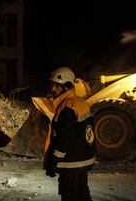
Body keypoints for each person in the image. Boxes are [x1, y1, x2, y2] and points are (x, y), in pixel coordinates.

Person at [44, 67, 96, 201]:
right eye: (52, 85)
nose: (53, 89)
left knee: (69, 195)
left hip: (70, 163)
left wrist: (53, 161)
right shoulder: (81, 102)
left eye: (57, 86)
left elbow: (65, 138)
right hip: (83, 161)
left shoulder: (67, 106)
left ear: (67, 87)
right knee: (83, 193)